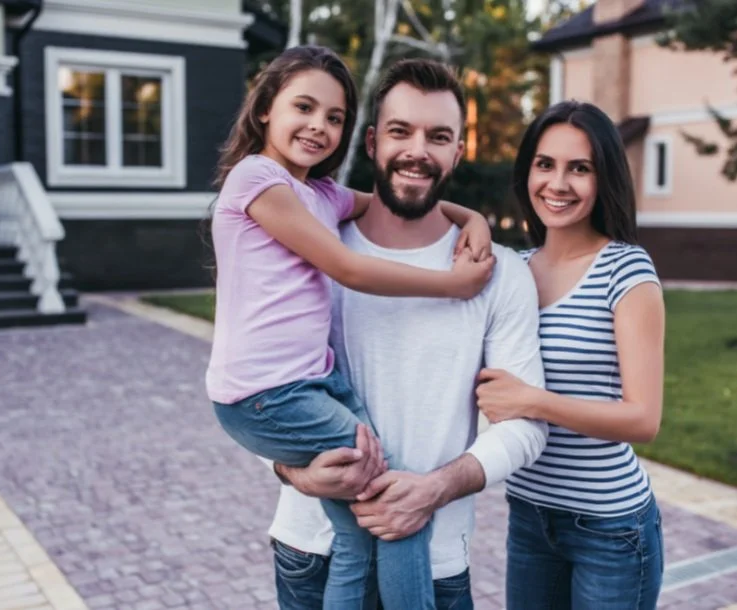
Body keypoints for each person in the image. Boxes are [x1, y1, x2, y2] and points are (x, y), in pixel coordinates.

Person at [206, 46, 496, 609]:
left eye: (334, 117)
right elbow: (348, 267)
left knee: (363, 524)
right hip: (268, 393)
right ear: (265, 108)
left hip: (311, 384)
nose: (318, 126)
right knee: (394, 503)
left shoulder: (319, 195)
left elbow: (391, 200)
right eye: (304, 107)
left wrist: (473, 216)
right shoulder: (256, 179)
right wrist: (452, 286)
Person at [265, 58, 550, 610]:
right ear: (372, 141)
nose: (418, 150)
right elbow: (258, 384)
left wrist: (434, 488)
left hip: (436, 559)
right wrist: (291, 469)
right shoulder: (311, 248)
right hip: (313, 551)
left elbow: (525, 428)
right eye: (401, 131)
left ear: (457, 152)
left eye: (438, 136)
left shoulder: (499, 273)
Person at [474, 100, 666, 609]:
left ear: (603, 179)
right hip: (530, 514)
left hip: (610, 529)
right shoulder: (511, 269)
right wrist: (465, 217)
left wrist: (532, 401)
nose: (557, 184)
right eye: (545, 164)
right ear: (527, 171)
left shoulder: (625, 270)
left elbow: (644, 419)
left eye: (579, 168)